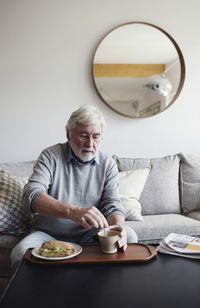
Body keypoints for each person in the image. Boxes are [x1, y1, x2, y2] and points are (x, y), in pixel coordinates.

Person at [11, 105, 137, 267]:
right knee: (20, 253)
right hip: (48, 235)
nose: (90, 143)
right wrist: (72, 212)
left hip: (91, 235)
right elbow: (31, 195)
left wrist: (118, 227)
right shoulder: (50, 156)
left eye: (96, 136)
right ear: (69, 134)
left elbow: (112, 204)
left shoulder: (108, 164)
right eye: (84, 135)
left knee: (130, 237)